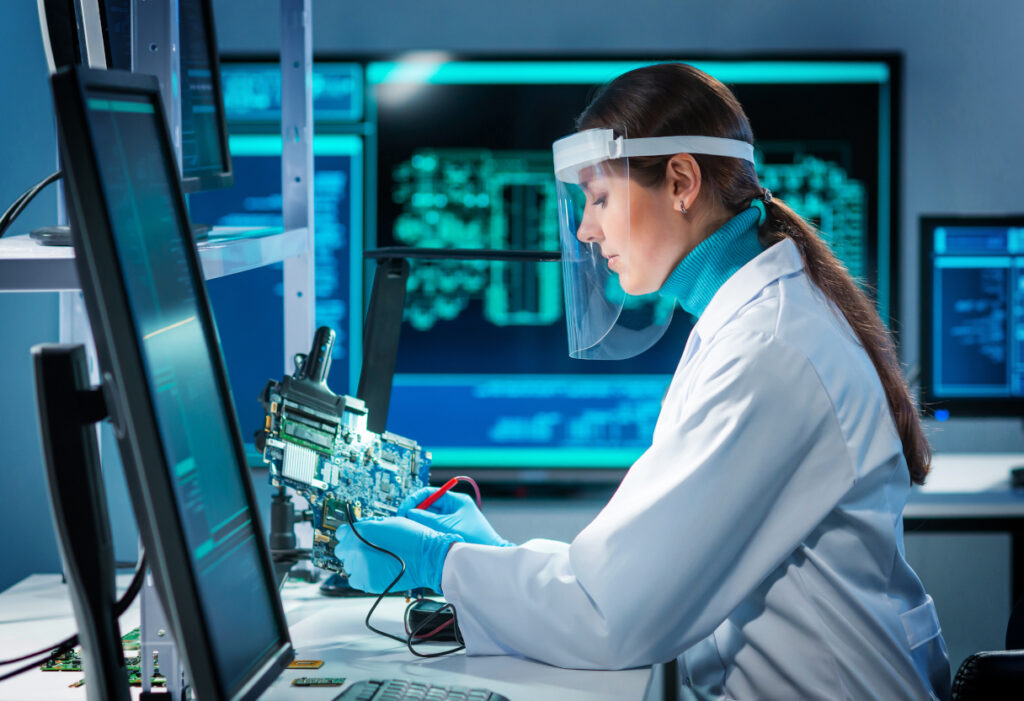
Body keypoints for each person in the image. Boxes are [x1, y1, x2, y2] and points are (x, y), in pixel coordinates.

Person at [335, 63, 951, 700]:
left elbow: (614, 616)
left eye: (600, 198)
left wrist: (444, 566)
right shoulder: (751, 321)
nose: (585, 229)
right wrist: (489, 554)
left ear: (681, 181)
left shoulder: (770, 350)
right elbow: (636, 568)